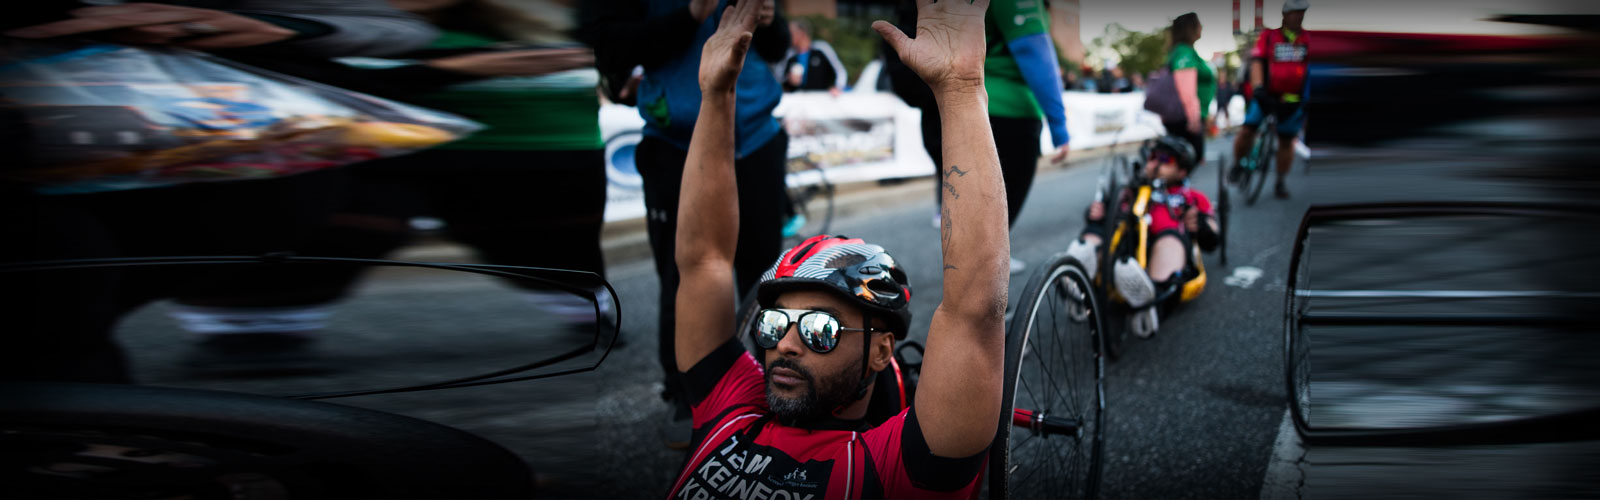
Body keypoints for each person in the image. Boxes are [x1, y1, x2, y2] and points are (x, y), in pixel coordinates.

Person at [668, 0, 1007, 496]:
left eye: (820, 329)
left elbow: (974, 312)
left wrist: (958, 89)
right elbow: (704, 262)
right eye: (772, 324)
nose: (782, 344)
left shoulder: (890, 467)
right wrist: (715, 93)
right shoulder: (732, 408)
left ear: (881, 351)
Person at [1, 0, 440, 384]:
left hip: (175, 118)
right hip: (47, 137)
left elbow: (376, 22)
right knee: (57, 290)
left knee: (266, 214)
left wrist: (271, 24)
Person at [164, 0, 612, 371]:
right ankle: (249, 325)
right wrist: (452, 69)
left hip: (527, 169)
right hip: (369, 159)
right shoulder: (325, 25)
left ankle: (588, 305)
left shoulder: (535, 31)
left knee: (550, 240)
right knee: (334, 221)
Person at [576, 0, 791, 444]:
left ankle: (779, 389)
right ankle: (688, 396)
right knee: (684, 276)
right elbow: (609, 50)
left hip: (755, 140)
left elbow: (777, 47)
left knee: (767, 277)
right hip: (676, 145)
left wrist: (770, 24)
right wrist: (688, 17)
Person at [926, 0, 1071, 275]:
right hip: (1006, 112)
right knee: (990, 230)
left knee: (977, 225)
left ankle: (971, 302)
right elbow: (1032, 49)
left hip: (969, 104)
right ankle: (983, 310)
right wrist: (1058, 124)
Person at [1066, 136, 1220, 338]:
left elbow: (1212, 231)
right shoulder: (1128, 191)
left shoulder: (1191, 197)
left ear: (1182, 171)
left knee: (1170, 241)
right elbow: (1103, 212)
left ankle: (1149, 298)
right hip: (1121, 245)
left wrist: (1201, 224)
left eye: (1165, 160)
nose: (1155, 163)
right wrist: (1096, 213)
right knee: (1097, 232)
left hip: (1162, 244)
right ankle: (1077, 277)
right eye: (1153, 157)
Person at [1231, 0, 1310, 199]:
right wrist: (1258, 89)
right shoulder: (1270, 36)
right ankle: (1238, 163)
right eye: (1294, 12)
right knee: (1248, 129)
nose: (1299, 16)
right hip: (1267, 95)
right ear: (1284, 14)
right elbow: (1257, 62)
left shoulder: (1308, 39)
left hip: (1293, 100)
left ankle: (1280, 180)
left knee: (1286, 141)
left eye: (1302, 12)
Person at [1165, 12, 1216, 164]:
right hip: (1186, 117)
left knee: (1184, 162)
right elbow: (1186, 90)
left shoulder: (1187, 51)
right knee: (1186, 161)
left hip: (1189, 115)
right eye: (1199, 24)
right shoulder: (1184, 53)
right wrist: (1194, 119)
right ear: (1191, 28)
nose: (1202, 27)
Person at [779, 19, 846, 95]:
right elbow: (779, 78)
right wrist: (789, 79)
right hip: (796, 102)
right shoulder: (789, 55)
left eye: (790, 34)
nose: (787, 37)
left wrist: (838, 87)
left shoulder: (821, 48)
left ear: (801, 33)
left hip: (819, 100)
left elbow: (840, 71)